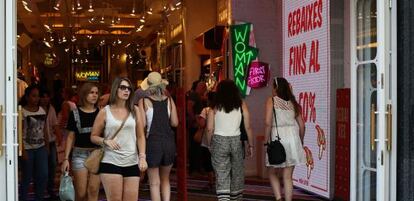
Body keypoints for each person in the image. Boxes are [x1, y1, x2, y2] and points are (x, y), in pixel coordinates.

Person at [91, 77, 147, 201]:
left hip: (132, 161)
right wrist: (105, 141)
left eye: (129, 88)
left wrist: (142, 157)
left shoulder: (135, 110)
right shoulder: (105, 112)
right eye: (123, 88)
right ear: (115, 89)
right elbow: (93, 136)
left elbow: (140, 136)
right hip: (110, 161)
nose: (126, 91)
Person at [206, 80, 254, 201]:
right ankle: (236, 198)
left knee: (222, 174)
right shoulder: (241, 104)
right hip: (236, 141)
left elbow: (209, 129)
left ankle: (224, 199)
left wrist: (209, 144)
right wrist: (251, 145)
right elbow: (248, 127)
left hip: (218, 140)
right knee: (237, 173)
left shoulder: (214, 106)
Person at [138, 72, 178, 201]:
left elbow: (142, 125)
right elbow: (175, 123)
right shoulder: (169, 100)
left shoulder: (143, 102)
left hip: (152, 143)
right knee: (166, 179)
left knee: (154, 183)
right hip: (168, 142)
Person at [264, 77, 306, 201]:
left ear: (275, 88)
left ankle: (278, 198)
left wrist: (266, 141)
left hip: (278, 138)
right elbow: (302, 126)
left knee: (272, 172)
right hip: (293, 138)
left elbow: (267, 122)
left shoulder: (271, 101)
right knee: (288, 176)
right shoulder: (294, 103)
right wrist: (301, 141)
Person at [61, 83, 101, 201]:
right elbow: (70, 137)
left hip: (97, 154)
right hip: (79, 154)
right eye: (91, 92)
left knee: (93, 190)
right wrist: (66, 159)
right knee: (81, 193)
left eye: (96, 93)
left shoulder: (101, 112)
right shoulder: (75, 113)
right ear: (84, 95)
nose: (94, 95)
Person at [19, 85, 49, 201]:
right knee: (26, 177)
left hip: (41, 148)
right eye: (33, 96)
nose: (36, 99)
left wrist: (46, 145)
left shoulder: (42, 110)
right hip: (28, 149)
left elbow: (44, 129)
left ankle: (39, 197)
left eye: (38, 96)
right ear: (27, 97)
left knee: (43, 175)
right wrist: (22, 150)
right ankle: (24, 198)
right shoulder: (22, 111)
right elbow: (20, 132)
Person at [39, 89, 62, 199]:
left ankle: (50, 188)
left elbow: (55, 124)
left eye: (47, 97)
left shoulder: (51, 108)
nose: (45, 99)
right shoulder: (36, 109)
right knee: (43, 168)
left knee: (52, 165)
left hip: (51, 141)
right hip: (40, 143)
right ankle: (41, 189)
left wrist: (59, 137)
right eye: (43, 97)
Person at [197, 91, 215, 190]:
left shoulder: (206, 110)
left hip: (207, 141)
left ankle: (211, 182)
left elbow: (202, 124)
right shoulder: (221, 109)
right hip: (219, 139)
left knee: (208, 162)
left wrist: (198, 119)